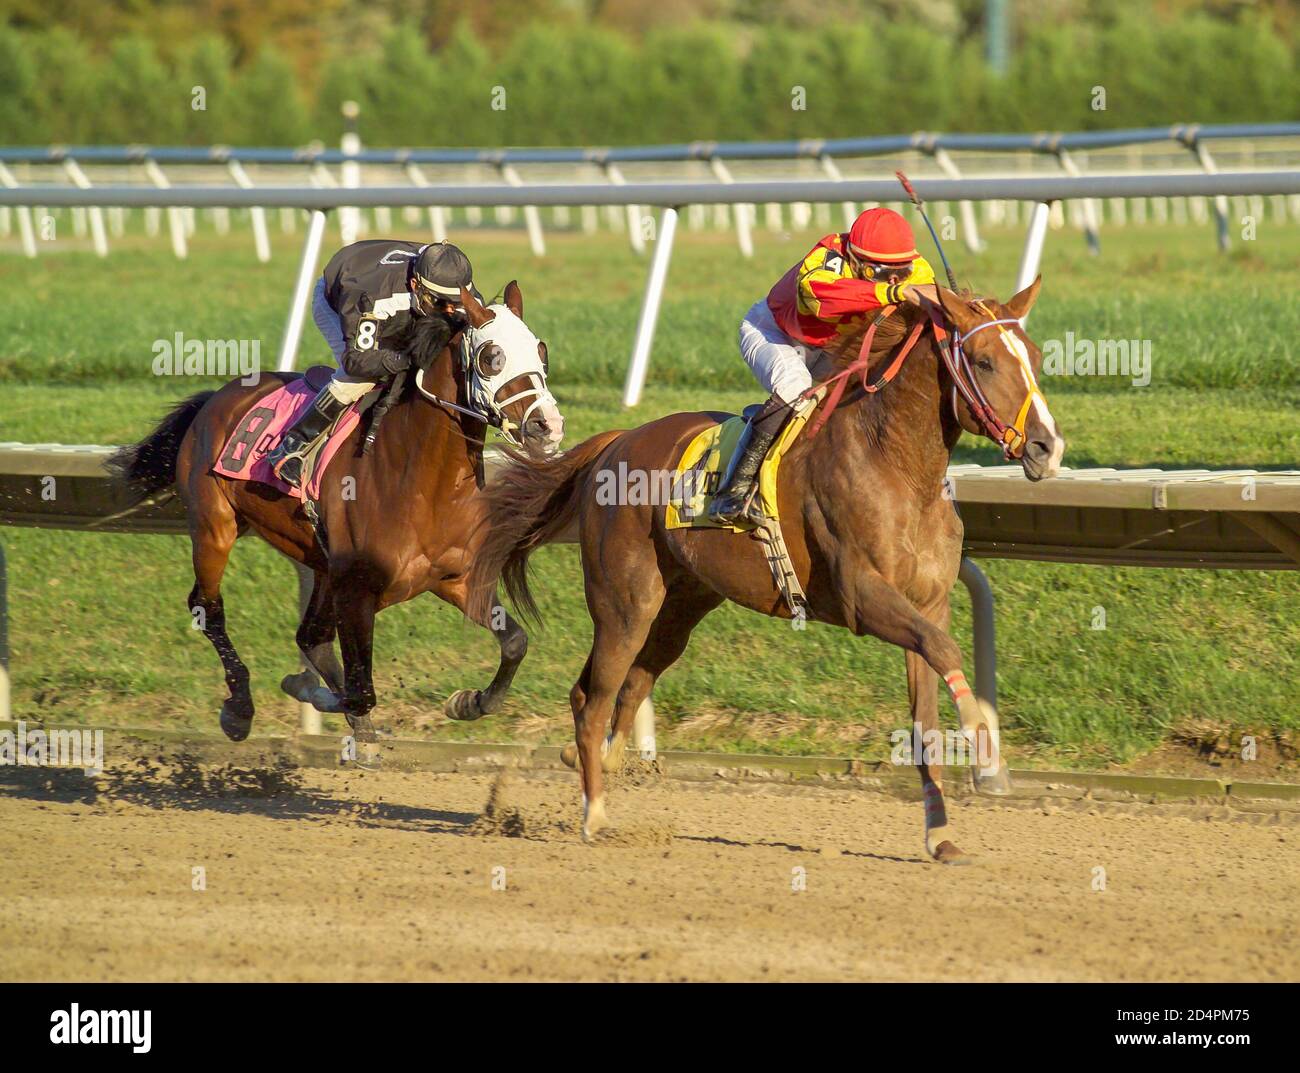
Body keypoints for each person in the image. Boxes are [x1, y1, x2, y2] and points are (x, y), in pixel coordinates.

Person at [708, 207, 940, 526]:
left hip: (833, 345)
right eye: (884, 272)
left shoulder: (915, 269)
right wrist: (896, 291)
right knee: (796, 390)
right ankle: (734, 490)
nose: (897, 277)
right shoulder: (829, 255)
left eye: (902, 269)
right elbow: (818, 298)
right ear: (855, 259)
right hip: (775, 332)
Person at [267, 240, 477, 488]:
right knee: (360, 379)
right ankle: (293, 446)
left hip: (398, 301)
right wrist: (402, 358)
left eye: (456, 301)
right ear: (415, 286)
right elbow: (357, 360)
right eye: (441, 302)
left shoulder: (453, 291)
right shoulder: (371, 297)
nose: (451, 310)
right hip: (340, 300)